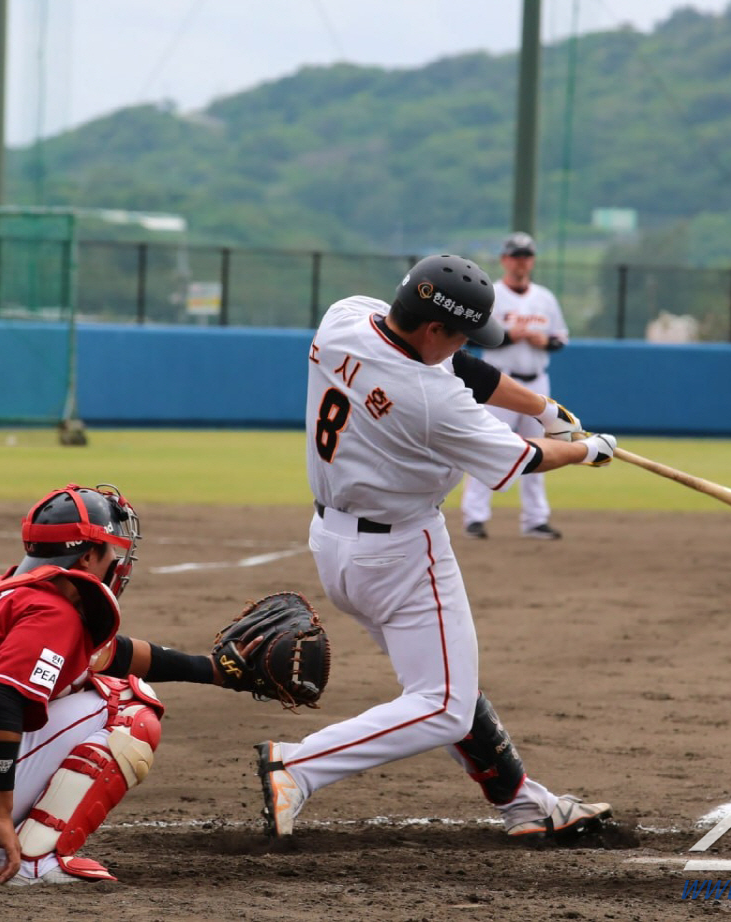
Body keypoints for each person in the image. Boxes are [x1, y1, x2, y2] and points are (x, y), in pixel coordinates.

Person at [254, 253, 618, 842]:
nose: (464, 346)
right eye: (458, 334)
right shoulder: (429, 399)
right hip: (400, 554)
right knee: (445, 702)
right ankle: (299, 765)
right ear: (432, 329)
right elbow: (519, 460)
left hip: (334, 543)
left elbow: (465, 369)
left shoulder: (346, 316)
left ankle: (523, 804)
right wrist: (587, 449)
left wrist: (545, 409)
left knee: (446, 684)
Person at [0, 483, 242, 887]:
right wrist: (0, 814)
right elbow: (0, 697)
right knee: (130, 706)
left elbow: (109, 656)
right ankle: (37, 859)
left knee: (83, 685)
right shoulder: (52, 611)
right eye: (111, 552)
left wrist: (214, 670)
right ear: (88, 556)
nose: (117, 563)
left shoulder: (4, 594)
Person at [460, 231, 571, 541]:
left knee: (540, 446)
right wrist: (512, 335)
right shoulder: (491, 295)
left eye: (525, 256)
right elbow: (471, 335)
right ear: (504, 260)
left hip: (537, 380)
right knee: (486, 448)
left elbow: (561, 338)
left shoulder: (545, 298)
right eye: (515, 256)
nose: (520, 262)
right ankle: (475, 518)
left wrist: (544, 340)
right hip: (499, 383)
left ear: (532, 261)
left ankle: (536, 520)